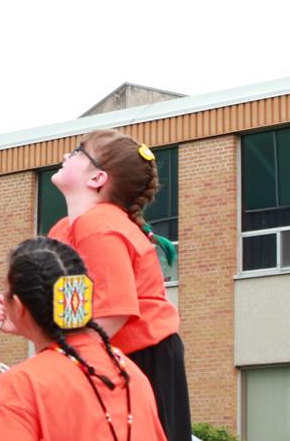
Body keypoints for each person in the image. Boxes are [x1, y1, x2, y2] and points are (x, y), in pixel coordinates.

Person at [39, 129, 192, 441]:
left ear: (97, 178)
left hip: (143, 357)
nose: (66, 155)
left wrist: (61, 360)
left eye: (78, 151)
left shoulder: (99, 225)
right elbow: (76, 311)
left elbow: (114, 312)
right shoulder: (68, 228)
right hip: (112, 355)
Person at [0, 237, 165, 440]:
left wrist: (26, 320)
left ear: (17, 306)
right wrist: (27, 322)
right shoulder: (130, 374)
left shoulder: (17, 389)